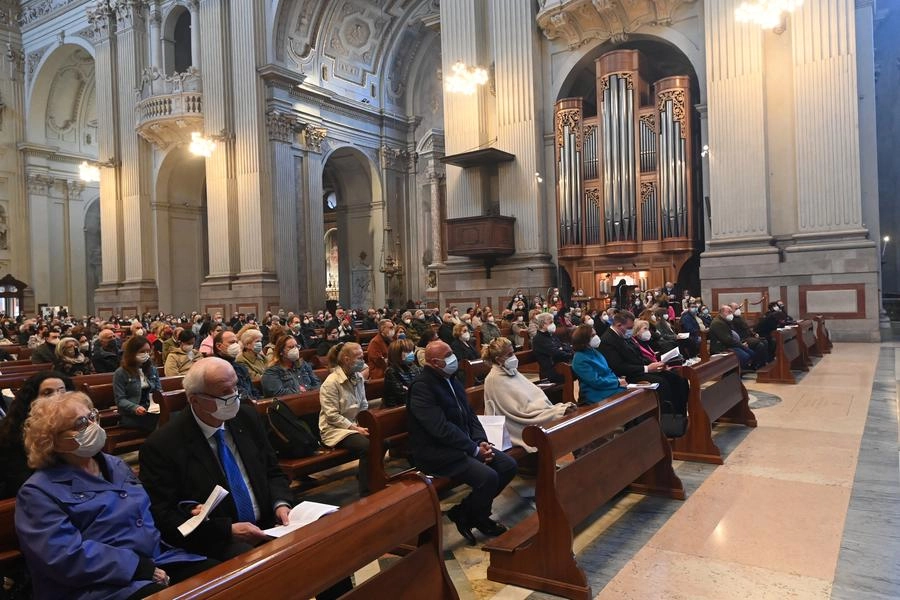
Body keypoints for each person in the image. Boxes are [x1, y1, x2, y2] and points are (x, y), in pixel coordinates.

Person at [16, 392, 216, 600]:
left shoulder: (115, 464)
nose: (92, 426)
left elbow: (147, 505)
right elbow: (64, 556)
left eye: (92, 417)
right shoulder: (37, 492)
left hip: (158, 558)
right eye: (80, 424)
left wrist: (184, 509)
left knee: (217, 577)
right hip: (98, 584)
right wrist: (137, 567)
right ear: (53, 441)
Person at [138, 358, 294, 561]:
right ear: (195, 400)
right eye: (224, 393)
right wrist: (226, 530)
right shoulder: (163, 445)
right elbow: (164, 515)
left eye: (235, 387)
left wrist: (280, 504)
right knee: (255, 561)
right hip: (217, 538)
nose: (234, 397)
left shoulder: (246, 417)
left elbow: (272, 470)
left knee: (325, 532)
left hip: (269, 521)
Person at [407, 341, 516, 545]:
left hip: (463, 445)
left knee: (508, 466)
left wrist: (480, 441)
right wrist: (473, 450)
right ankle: (479, 517)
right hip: (437, 453)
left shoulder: (451, 379)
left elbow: (469, 415)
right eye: (448, 355)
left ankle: (465, 513)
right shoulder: (422, 387)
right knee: (488, 477)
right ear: (434, 362)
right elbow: (440, 428)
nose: (453, 357)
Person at [482, 337, 574, 451]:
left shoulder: (511, 371)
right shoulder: (493, 379)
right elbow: (512, 410)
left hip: (534, 411)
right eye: (509, 354)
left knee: (570, 411)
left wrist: (543, 407)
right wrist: (542, 410)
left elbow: (533, 393)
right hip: (518, 422)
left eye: (513, 353)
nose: (513, 357)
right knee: (564, 414)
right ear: (498, 359)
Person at [598, 311, 688, 416]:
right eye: (629, 327)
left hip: (640, 369)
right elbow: (618, 367)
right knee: (662, 383)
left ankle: (680, 415)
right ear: (619, 325)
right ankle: (666, 419)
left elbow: (639, 356)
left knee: (678, 379)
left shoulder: (625, 336)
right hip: (629, 376)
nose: (631, 330)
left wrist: (657, 364)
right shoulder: (607, 340)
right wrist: (647, 368)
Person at [0, 371, 74, 499]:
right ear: (32, 401)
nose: (58, 397)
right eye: (48, 393)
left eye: (62, 391)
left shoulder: (75, 425)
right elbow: (22, 482)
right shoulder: (14, 434)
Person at [319, 343, 371, 496]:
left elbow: (363, 404)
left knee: (383, 437)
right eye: (359, 357)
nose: (363, 360)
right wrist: (355, 428)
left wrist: (366, 423)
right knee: (366, 445)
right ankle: (366, 491)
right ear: (347, 360)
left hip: (355, 425)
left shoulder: (358, 377)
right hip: (335, 430)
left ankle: (370, 475)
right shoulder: (331, 382)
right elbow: (332, 416)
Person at [113, 335, 161, 432]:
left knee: (173, 416)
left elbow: (158, 390)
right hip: (132, 414)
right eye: (142, 351)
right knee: (158, 422)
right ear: (132, 352)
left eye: (148, 351)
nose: (146, 354)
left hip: (151, 410)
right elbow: (120, 400)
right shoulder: (121, 373)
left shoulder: (152, 369)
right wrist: (135, 407)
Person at [570, 324, 626, 404]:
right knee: (625, 396)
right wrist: (616, 382)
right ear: (584, 339)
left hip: (607, 386)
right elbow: (595, 381)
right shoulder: (579, 359)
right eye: (592, 335)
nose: (596, 337)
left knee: (630, 392)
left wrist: (618, 380)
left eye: (595, 334)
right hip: (594, 391)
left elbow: (608, 370)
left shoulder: (594, 351)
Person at [709, 305, 765, 370]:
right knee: (745, 356)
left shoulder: (725, 321)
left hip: (729, 345)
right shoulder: (718, 323)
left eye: (731, 312)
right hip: (721, 348)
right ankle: (739, 372)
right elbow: (727, 340)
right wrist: (741, 344)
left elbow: (732, 337)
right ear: (721, 313)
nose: (731, 314)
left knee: (751, 353)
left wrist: (740, 344)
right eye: (728, 312)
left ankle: (746, 369)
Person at [212, 330, 260, 400]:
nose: (236, 345)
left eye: (236, 342)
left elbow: (253, 391)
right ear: (219, 346)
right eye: (232, 342)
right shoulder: (213, 368)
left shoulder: (241, 367)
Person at [531, 313, 573, 383]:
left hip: (560, 366)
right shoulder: (539, 339)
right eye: (550, 322)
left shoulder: (551, 335)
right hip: (551, 372)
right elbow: (556, 353)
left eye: (553, 322)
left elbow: (563, 346)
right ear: (542, 324)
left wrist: (563, 349)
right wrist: (571, 355)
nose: (553, 324)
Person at [383, 338, 421, 408]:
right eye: (407, 351)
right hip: (396, 408)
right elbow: (402, 395)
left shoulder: (414, 367)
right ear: (397, 354)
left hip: (413, 404)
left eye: (411, 351)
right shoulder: (391, 371)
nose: (411, 353)